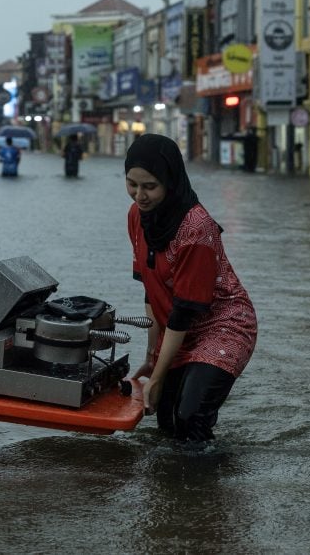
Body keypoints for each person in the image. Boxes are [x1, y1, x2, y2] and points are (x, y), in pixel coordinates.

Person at [124, 134, 257, 442]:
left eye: (150, 186)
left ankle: (209, 485)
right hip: (177, 326)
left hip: (223, 326)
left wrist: (157, 378)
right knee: (167, 424)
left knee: (189, 419)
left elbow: (184, 310)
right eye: (132, 184)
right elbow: (151, 288)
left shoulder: (196, 227)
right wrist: (151, 355)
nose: (139, 195)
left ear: (171, 181)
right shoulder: (137, 216)